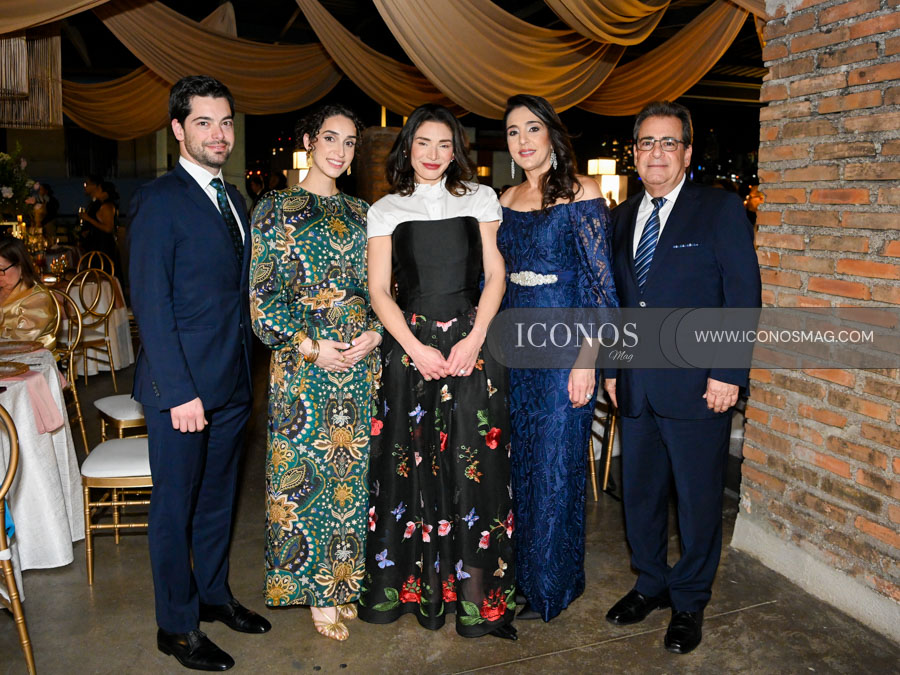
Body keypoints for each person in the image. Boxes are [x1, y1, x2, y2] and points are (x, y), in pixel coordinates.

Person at [603, 101, 761, 655]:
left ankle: (690, 599)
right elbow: (618, 303)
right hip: (635, 385)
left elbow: (742, 296)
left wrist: (728, 373)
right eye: (647, 142)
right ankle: (650, 583)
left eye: (669, 142)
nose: (657, 153)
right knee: (640, 495)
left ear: (688, 153)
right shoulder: (621, 216)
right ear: (635, 153)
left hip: (699, 387)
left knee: (696, 501)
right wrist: (611, 369)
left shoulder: (719, 209)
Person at [359, 104, 517, 641]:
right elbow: (379, 291)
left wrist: (475, 339)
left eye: (444, 145)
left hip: (474, 346)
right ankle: (417, 593)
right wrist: (414, 347)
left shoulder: (481, 198)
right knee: (411, 466)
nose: (433, 154)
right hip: (410, 351)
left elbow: (496, 276)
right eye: (423, 143)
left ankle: (480, 599)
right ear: (408, 148)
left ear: (456, 152)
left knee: (476, 467)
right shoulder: (384, 209)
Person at [129, 75, 271, 672]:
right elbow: (151, 304)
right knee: (175, 508)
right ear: (178, 129)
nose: (219, 134)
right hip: (181, 389)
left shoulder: (234, 200)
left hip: (233, 383)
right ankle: (176, 625)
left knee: (217, 501)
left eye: (226, 122)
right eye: (204, 122)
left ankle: (213, 596)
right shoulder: (159, 201)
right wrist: (180, 391)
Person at [249, 104, 382, 642]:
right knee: (305, 479)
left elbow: (385, 286)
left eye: (349, 143)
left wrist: (376, 333)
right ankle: (314, 592)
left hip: (358, 363)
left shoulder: (363, 211)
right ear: (308, 140)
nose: (340, 151)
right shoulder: (274, 207)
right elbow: (262, 297)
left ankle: (342, 580)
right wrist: (309, 347)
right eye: (330, 138)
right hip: (303, 366)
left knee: (350, 479)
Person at [497, 94, 618, 622]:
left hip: (564, 348)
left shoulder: (581, 192)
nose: (522, 140)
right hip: (513, 349)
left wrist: (587, 360)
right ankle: (519, 576)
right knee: (518, 465)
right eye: (513, 132)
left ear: (551, 133)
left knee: (555, 467)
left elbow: (600, 286)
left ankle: (552, 585)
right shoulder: (506, 196)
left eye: (532, 128)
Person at [0, 235, 58, 349]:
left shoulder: (38, 297)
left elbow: (22, 338)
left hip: (33, 356)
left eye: (1, 269)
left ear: (20, 265)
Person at [80, 181, 123, 274]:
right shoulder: (100, 205)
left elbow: (108, 228)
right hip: (98, 244)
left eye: (99, 189)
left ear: (105, 193)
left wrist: (88, 219)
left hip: (104, 246)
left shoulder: (107, 206)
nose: (96, 191)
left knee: (104, 271)